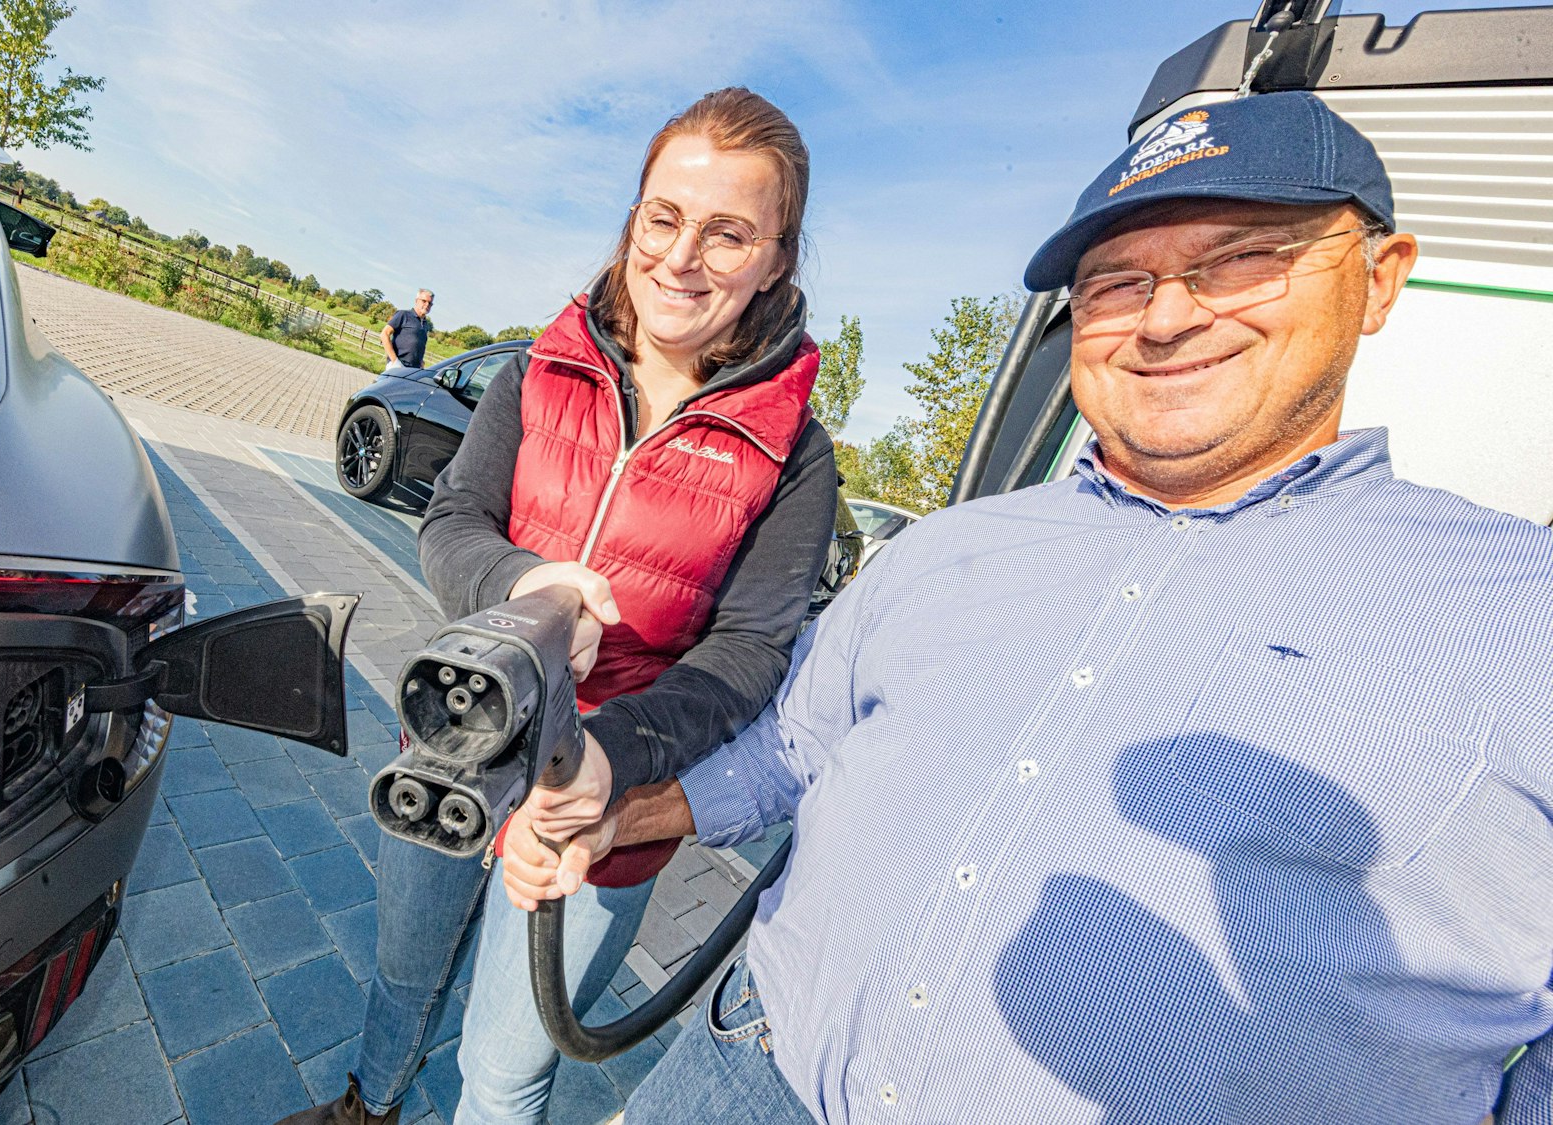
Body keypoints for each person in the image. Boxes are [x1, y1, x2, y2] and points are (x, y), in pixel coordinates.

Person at [509, 91, 1553, 1124]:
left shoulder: (1520, 613)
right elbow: (796, 743)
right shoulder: (951, 549)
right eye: (1113, 283)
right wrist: (622, 816)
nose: (1166, 316)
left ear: (1378, 277)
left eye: (1238, 261)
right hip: (747, 1070)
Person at [275, 88, 838, 1125]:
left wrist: (609, 762)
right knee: (403, 976)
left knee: (505, 1067)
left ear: (774, 261)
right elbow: (453, 520)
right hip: (455, 740)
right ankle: (366, 1106)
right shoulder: (543, 366)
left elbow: (753, 647)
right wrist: (520, 585)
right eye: (663, 218)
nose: (680, 257)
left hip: (604, 808)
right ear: (632, 222)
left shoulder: (791, 452)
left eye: (728, 234)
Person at [383, 290, 435, 370]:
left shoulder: (425, 323)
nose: (427, 304)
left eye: (430, 303)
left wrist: (421, 362)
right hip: (398, 366)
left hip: (413, 370)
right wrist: (394, 361)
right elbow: (384, 334)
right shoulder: (403, 315)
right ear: (416, 301)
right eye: (424, 301)